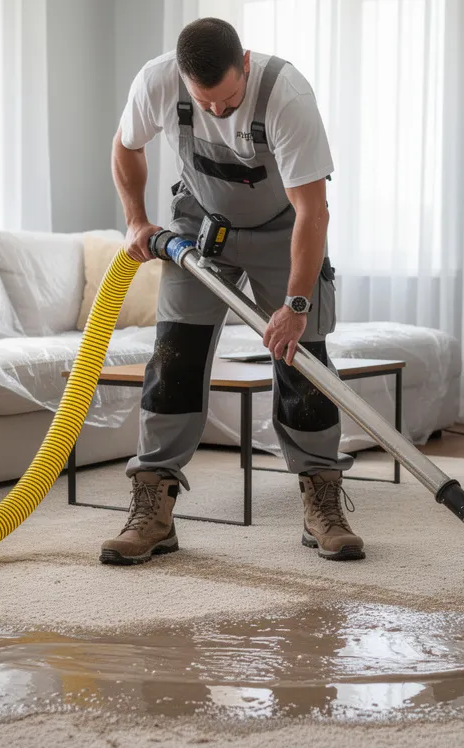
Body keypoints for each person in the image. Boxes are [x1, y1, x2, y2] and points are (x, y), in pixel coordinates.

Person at [101, 17, 362, 566]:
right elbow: (126, 149)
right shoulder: (158, 82)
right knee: (174, 356)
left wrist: (296, 306)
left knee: (303, 359)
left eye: (228, 100)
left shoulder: (285, 95)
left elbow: (313, 211)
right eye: (206, 103)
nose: (218, 113)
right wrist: (135, 221)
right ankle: (153, 507)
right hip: (201, 226)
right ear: (182, 78)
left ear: (245, 62)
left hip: (282, 230)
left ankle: (322, 502)